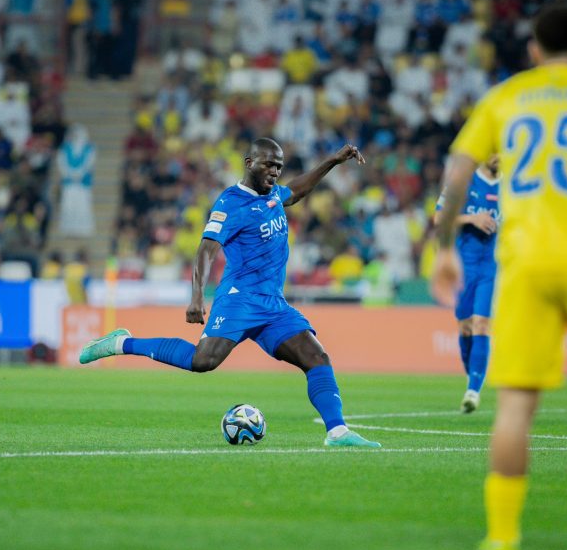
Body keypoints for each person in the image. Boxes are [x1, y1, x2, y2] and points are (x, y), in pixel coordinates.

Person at [433, 3, 567, 550]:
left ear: (533, 49)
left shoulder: (506, 97)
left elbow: (457, 171)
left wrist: (441, 251)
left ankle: (501, 540)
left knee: (515, 405)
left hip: (524, 261)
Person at [81, 138, 380, 448]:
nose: (274, 171)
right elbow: (206, 249)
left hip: (273, 304)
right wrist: (197, 296)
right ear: (249, 163)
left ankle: (337, 432)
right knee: (203, 361)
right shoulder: (230, 203)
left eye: (278, 166)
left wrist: (333, 160)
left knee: (317, 357)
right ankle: (120, 342)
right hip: (240, 299)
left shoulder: (274, 195)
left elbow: (299, 190)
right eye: (268, 164)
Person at [434, 155, 499, 414]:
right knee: (466, 327)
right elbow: (439, 219)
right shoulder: (463, 182)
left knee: (482, 323)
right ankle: (472, 376)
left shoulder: (512, 185)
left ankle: (473, 391)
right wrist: (470, 219)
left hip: (493, 266)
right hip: (464, 266)